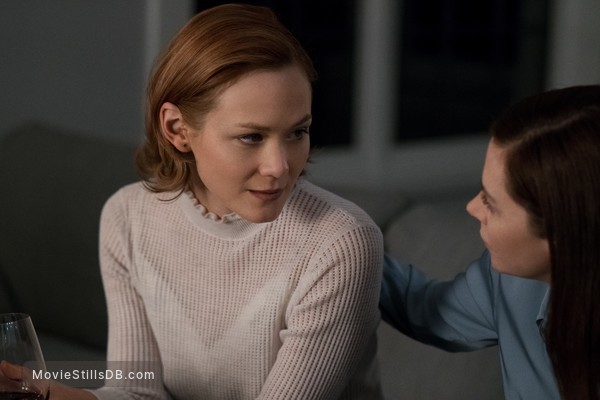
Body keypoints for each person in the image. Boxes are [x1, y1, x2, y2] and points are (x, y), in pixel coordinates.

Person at [0, 4, 383, 399]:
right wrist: (44, 393)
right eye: (251, 137)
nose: (279, 167)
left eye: (297, 132)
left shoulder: (339, 244)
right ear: (177, 129)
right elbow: (136, 391)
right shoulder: (127, 218)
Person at [380, 85, 600, 400]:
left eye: (491, 204)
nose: (472, 208)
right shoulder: (509, 280)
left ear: (561, 236)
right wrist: (349, 246)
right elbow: (428, 311)